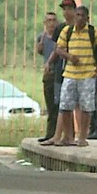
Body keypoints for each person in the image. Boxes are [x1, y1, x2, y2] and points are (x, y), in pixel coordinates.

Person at [47, 6, 97, 147]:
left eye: (82, 16)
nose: (79, 18)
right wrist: (69, 56)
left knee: (86, 108)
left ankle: (82, 137)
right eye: (77, 15)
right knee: (66, 106)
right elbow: (59, 49)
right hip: (69, 74)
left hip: (87, 75)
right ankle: (68, 137)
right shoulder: (67, 31)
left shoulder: (93, 32)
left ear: (87, 18)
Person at [40, 0, 78, 146]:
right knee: (61, 102)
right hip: (61, 70)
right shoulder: (60, 28)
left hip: (77, 70)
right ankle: (60, 135)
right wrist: (49, 62)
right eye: (64, 9)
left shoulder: (80, 28)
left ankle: (69, 135)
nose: (66, 12)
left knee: (73, 104)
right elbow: (57, 49)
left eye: (69, 8)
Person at [35, 12, 60, 142]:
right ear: (45, 23)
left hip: (60, 72)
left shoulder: (60, 36)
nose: (51, 23)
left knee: (61, 105)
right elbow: (40, 52)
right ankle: (50, 134)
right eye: (49, 20)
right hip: (48, 74)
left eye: (54, 20)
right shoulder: (42, 37)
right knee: (50, 105)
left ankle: (61, 133)